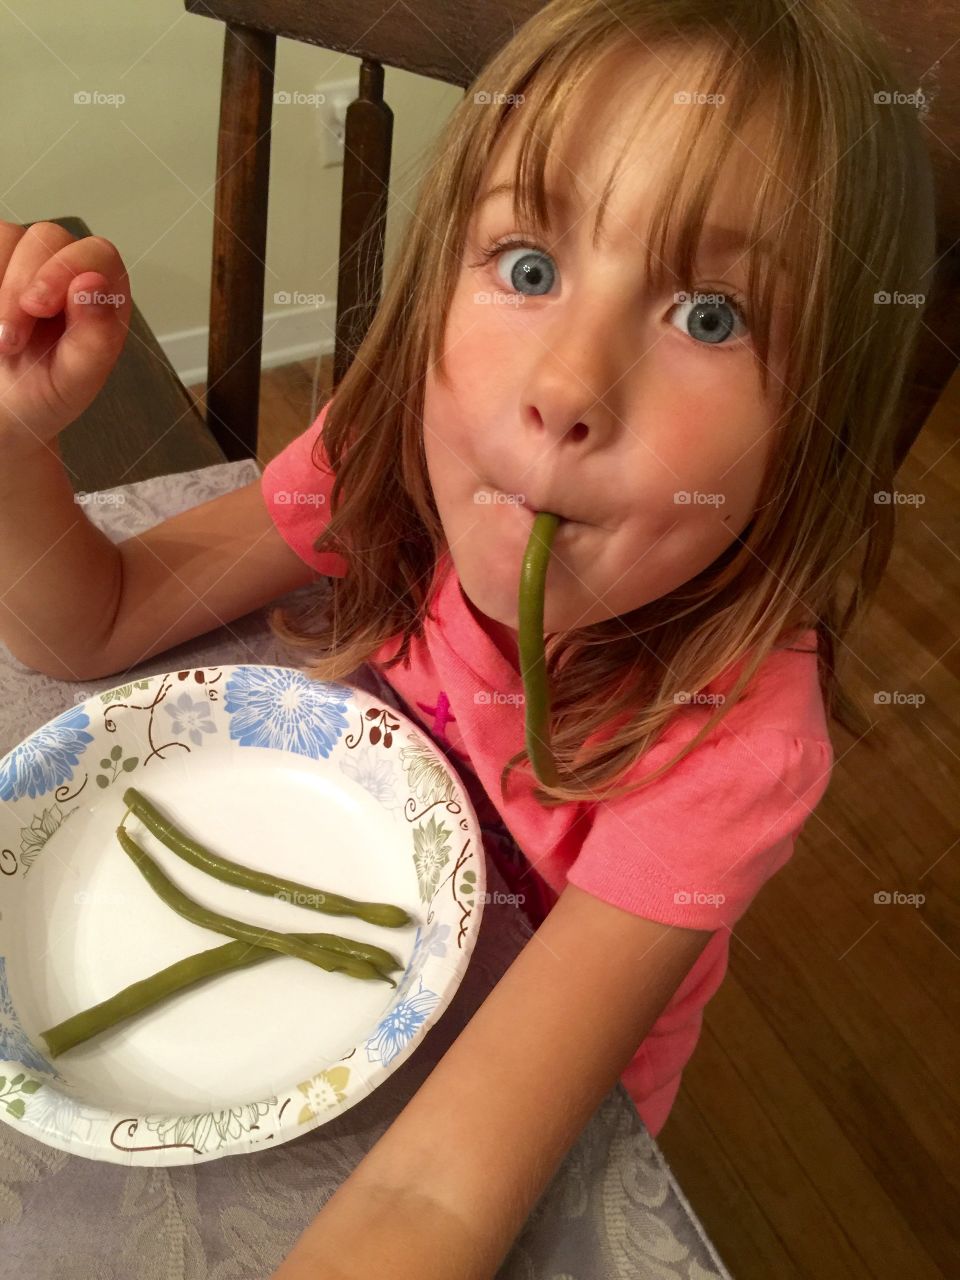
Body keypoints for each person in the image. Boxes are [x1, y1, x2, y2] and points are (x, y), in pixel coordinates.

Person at [0, 0, 935, 1274]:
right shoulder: (388, 461)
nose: (566, 386)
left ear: (813, 431)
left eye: (711, 315)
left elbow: (438, 1197)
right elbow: (94, 617)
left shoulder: (733, 740)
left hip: (518, 1094)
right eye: (531, 267)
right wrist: (9, 442)